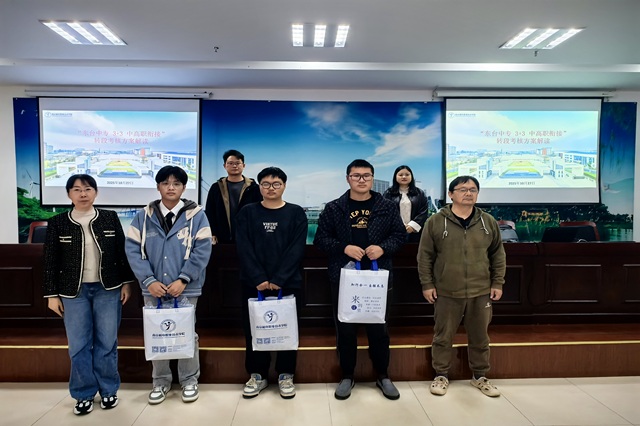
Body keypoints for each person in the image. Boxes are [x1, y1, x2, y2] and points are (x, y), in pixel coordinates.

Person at [314, 159, 406, 401]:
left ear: (372, 178)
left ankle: (383, 375)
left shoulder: (387, 206)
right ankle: (347, 375)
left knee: (379, 329)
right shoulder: (334, 207)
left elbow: (399, 236)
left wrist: (383, 248)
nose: (362, 180)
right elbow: (320, 239)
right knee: (345, 329)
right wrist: (344, 247)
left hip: (378, 277)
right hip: (344, 277)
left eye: (366, 175)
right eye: (356, 176)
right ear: (348, 179)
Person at [43, 174, 133, 415]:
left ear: (96, 192)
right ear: (68, 194)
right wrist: (51, 295)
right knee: (79, 345)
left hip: (108, 289)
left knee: (107, 342)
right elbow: (50, 260)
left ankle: (109, 390)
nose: (83, 194)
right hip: (73, 292)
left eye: (88, 189)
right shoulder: (58, 222)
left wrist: (126, 283)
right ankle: (83, 394)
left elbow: (121, 253)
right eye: (76, 189)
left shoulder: (109, 217)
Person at [125, 165, 212, 405]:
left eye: (176, 183)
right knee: (157, 334)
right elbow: (132, 250)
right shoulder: (143, 216)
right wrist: (149, 280)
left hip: (186, 288)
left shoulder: (197, 215)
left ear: (184, 187)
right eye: (165, 183)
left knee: (187, 333)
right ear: (158, 186)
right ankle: (160, 382)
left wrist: (184, 278)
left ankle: (189, 380)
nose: (170, 187)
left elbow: (203, 250)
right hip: (152, 289)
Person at [416, 175, 506, 398]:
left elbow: (498, 255)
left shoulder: (488, 222)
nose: (468, 193)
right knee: (443, 336)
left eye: (473, 190)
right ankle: (441, 375)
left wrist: (497, 282)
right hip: (447, 290)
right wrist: (427, 284)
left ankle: (480, 376)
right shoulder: (436, 222)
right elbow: (425, 256)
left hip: (481, 290)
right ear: (451, 194)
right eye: (463, 189)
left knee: (480, 337)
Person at [235, 166, 308, 399]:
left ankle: (286, 374)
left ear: (284, 186)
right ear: (259, 187)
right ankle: (257, 375)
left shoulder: (296, 213)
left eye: (276, 184)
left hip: (287, 283)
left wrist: (279, 279)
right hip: (253, 283)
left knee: (287, 330)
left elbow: (297, 249)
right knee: (254, 330)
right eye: (265, 184)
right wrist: (258, 278)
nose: (271, 188)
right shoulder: (247, 212)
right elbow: (243, 247)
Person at [205, 149, 262, 244]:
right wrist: (212, 232)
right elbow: (210, 211)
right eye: (230, 163)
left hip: (248, 238)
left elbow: (259, 212)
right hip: (222, 238)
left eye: (237, 163)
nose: (234, 166)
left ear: (243, 165)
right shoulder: (216, 187)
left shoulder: (254, 187)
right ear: (224, 166)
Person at [383, 165, 430, 243]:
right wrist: (398, 226)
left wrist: (412, 226)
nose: (404, 177)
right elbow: (385, 212)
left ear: (411, 176)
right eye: (400, 175)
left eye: (407, 174)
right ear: (395, 177)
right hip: (394, 233)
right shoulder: (388, 193)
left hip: (415, 233)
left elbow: (423, 211)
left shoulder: (419, 193)